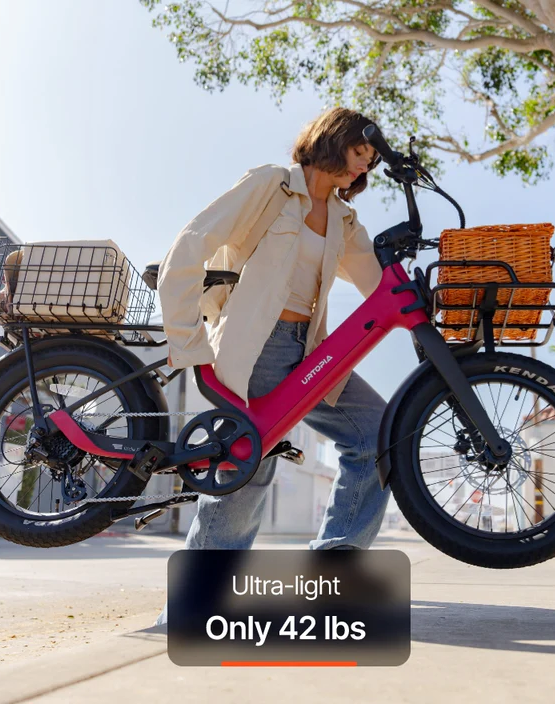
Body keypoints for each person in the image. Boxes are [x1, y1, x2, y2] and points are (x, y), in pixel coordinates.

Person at [152, 107, 390, 626]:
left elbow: (378, 286)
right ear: (334, 140)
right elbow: (192, 242)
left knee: (378, 434)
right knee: (247, 471)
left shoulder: (345, 221)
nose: (362, 169)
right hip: (255, 344)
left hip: (311, 353)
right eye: (359, 153)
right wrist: (189, 342)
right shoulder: (272, 186)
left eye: (370, 163)